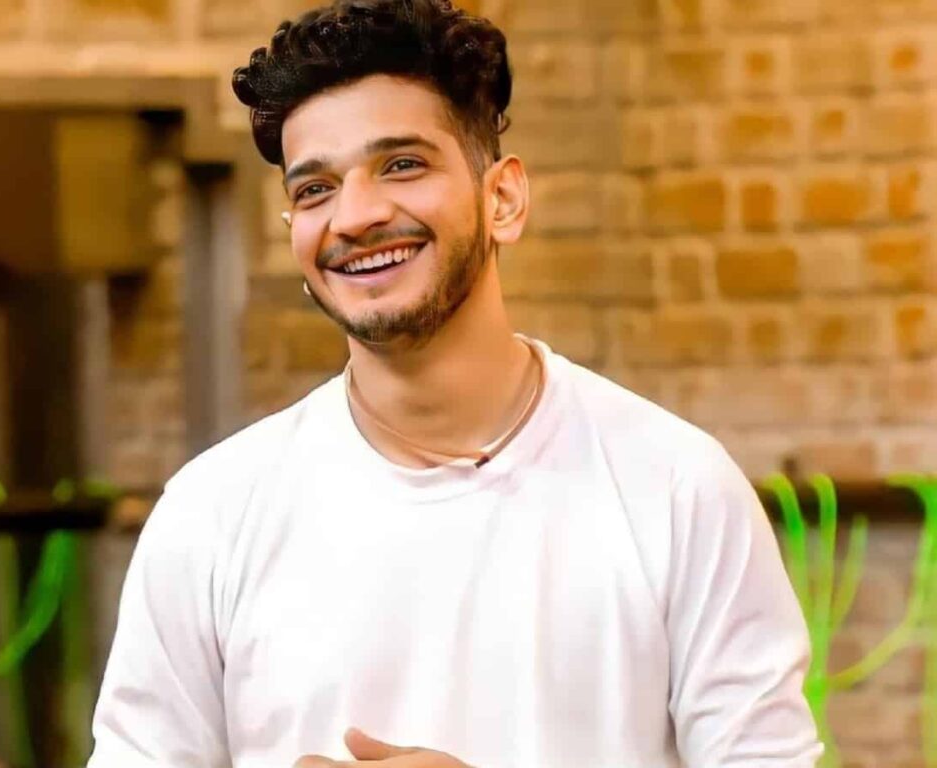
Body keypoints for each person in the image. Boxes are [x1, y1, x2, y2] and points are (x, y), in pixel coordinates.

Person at [88, 1, 823, 766]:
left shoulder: (676, 490)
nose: (355, 216)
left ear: (503, 199)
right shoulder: (211, 516)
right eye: (315, 190)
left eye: (402, 165)